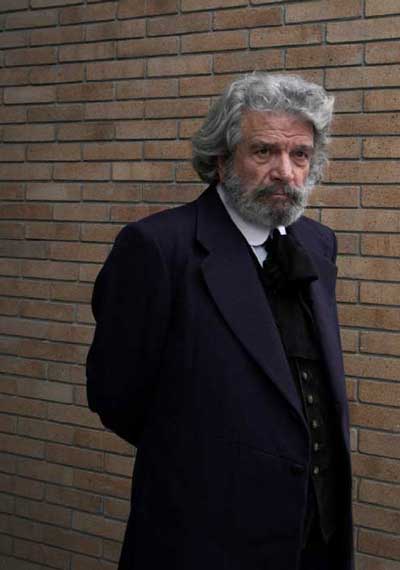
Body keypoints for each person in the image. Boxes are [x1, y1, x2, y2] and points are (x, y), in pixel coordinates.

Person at [86, 73, 354, 570]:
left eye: (299, 155)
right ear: (222, 160)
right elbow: (116, 399)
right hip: (205, 539)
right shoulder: (157, 248)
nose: (285, 171)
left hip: (317, 539)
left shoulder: (319, 243)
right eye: (264, 151)